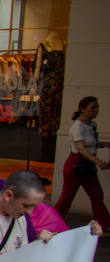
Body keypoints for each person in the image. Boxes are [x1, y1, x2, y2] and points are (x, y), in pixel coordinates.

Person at [52, 96, 110, 227]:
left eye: (97, 107)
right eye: (92, 108)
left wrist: (103, 144)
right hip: (76, 165)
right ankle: (51, 222)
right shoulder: (77, 127)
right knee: (67, 197)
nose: (96, 110)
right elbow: (81, 148)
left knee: (97, 194)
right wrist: (98, 161)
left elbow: (90, 144)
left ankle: (104, 223)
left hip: (87, 165)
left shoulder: (92, 125)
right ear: (83, 109)